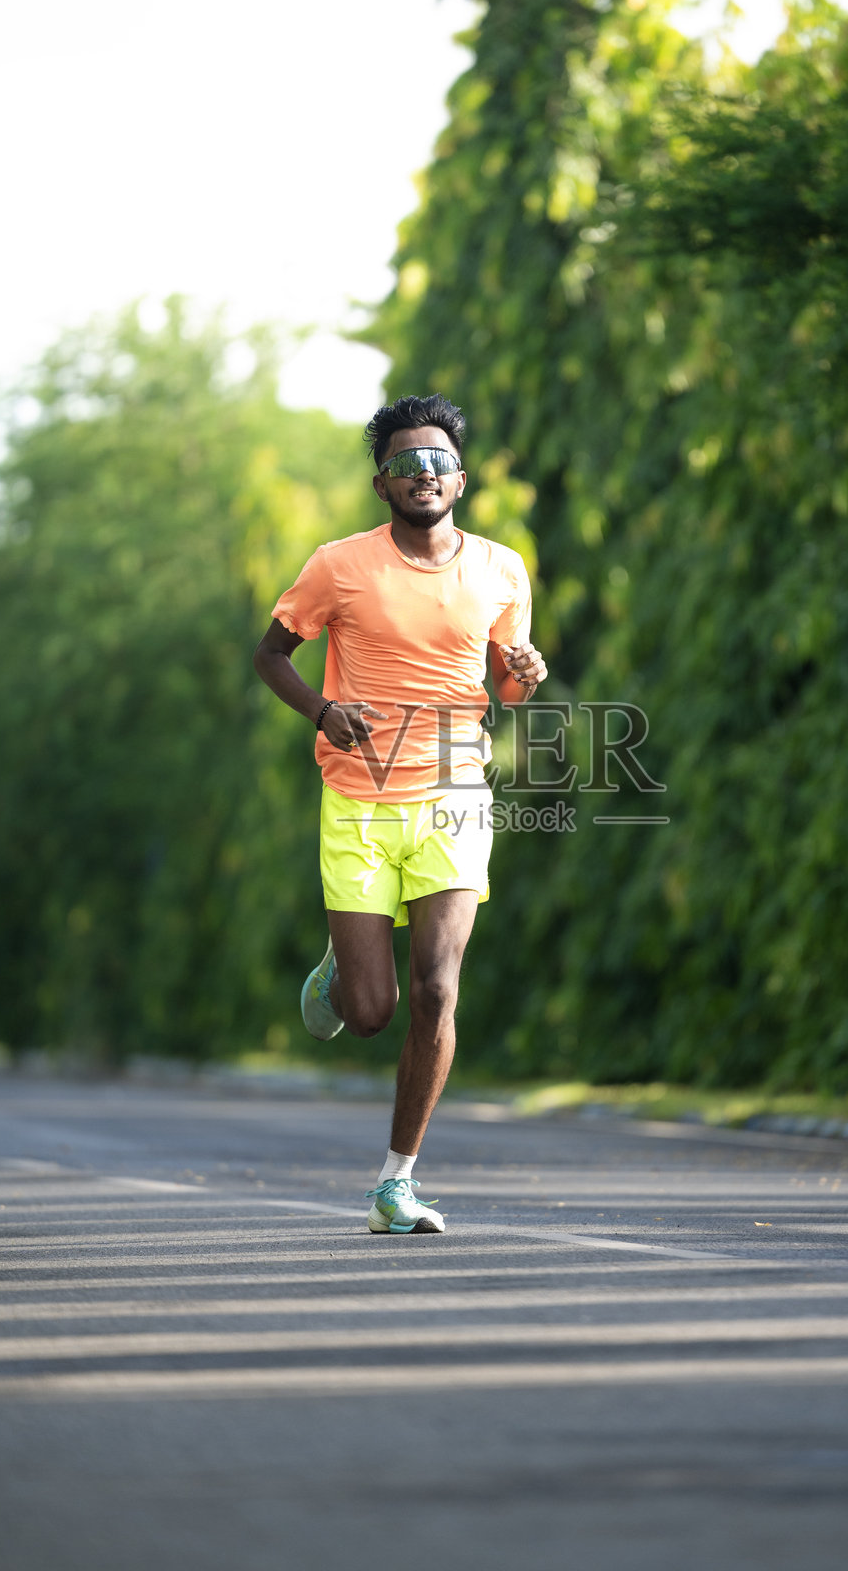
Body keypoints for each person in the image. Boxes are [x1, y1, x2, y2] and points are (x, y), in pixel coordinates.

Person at [253, 393, 547, 1234]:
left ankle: (395, 1182)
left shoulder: (500, 567)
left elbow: (509, 690)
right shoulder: (338, 565)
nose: (424, 474)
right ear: (382, 484)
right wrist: (320, 711)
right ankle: (340, 972)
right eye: (405, 464)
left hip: (455, 792)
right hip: (357, 798)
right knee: (371, 1011)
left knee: (436, 990)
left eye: (437, 461)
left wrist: (525, 669)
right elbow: (271, 654)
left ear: (460, 476)